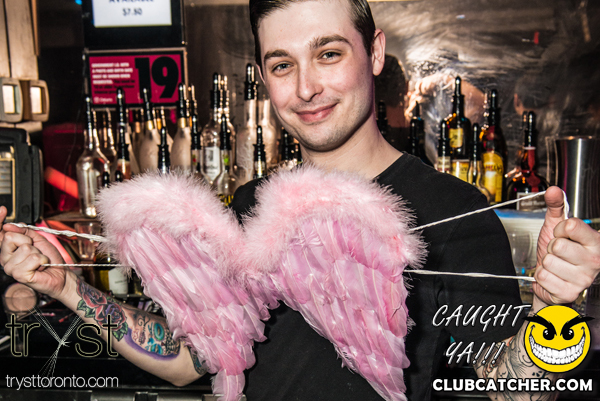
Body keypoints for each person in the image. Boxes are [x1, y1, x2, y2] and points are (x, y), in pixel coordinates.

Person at [1, 1, 599, 400]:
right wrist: (66, 287)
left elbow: (504, 387)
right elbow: (190, 358)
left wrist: (555, 311)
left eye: (329, 54)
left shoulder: (450, 209)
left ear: (375, 53)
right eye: (282, 65)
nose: (307, 87)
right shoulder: (251, 202)